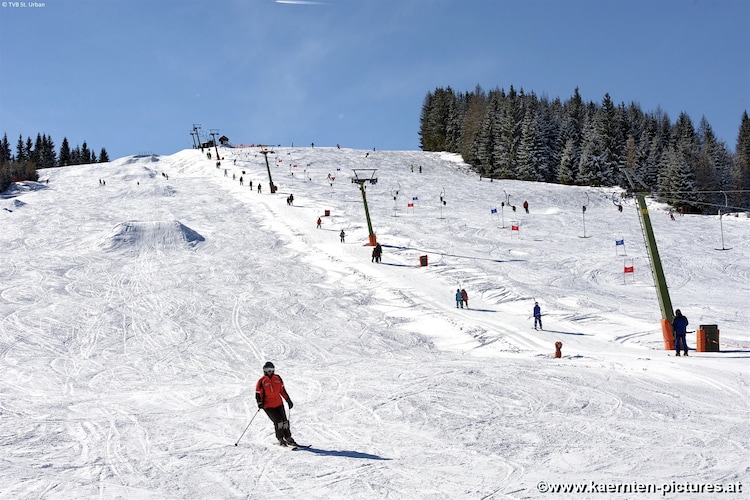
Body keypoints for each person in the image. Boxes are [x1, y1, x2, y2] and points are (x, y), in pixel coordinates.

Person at [255, 361, 297, 446]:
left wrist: (288, 400)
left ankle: (288, 437)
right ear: (264, 371)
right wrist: (260, 403)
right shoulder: (261, 381)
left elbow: (282, 390)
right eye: (267, 369)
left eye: (271, 369)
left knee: (285, 421)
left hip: (279, 404)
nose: (269, 371)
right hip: (268, 406)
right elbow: (258, 394)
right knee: (278, 421)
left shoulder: (277, 378)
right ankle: (280, 439)